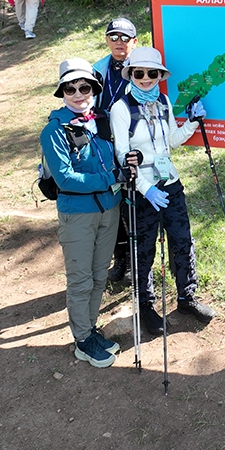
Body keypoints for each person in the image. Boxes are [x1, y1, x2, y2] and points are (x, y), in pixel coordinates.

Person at [109, 47, 214, 335]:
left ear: (159, 76)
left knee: (182, 241)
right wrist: (146, 190)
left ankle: (187, 297)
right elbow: (122, 156)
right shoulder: (120, 109)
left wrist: (192, 121)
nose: (145, 78)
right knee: (144, 250)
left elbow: (172, 141)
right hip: (142, 192)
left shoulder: (164, 102)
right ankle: (145, 306)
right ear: (131, 74)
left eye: (151, 73)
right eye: (139, 73)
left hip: (170, 184)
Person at [40, 60, 124, 367]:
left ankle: (90, 330)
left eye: (84, 87)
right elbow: (65, 179)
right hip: (78, 214)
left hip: (109, 210)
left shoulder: (101, 119)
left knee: (99, 274)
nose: (78, 94)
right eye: (70, 88)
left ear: (94, 90)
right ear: (62, 92)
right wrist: (112, 178)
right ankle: (82, 340)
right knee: (80, 279)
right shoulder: (54, 130)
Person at [92, 18, 138, 286]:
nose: (119, 42)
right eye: (114, 36)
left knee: (132, 201)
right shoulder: (98, 70)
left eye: (125, 37)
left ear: (134, 42)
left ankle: (137, 259)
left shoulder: (142, 69)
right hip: (104, 145)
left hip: (133, 144)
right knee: (112, 203)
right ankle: (120, 256)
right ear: (107, 40)